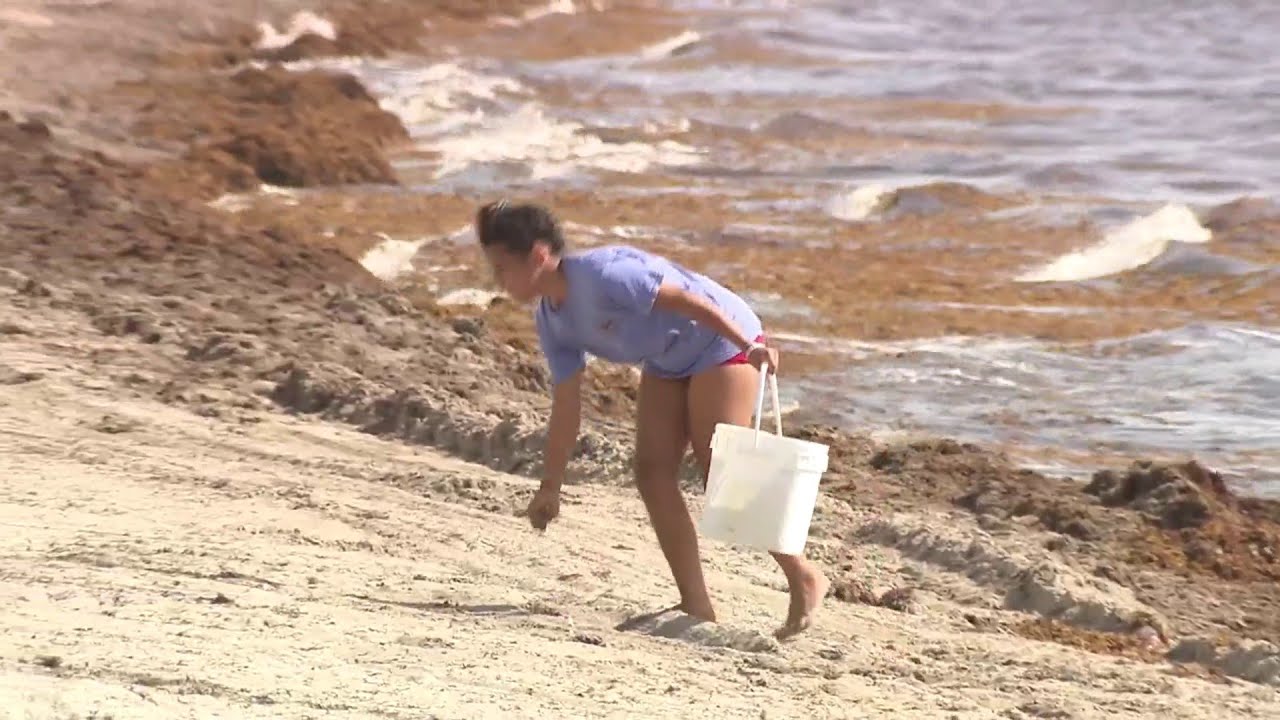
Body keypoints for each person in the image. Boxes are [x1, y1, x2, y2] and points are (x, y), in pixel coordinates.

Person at [474, 199, 828, 639]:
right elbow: (567, 405)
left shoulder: (603, 275)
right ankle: (696, 604)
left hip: (721, 340)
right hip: (667, 359)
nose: (499, 281)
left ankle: (802, 575)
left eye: (502, 267)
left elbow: (687, 300)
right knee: (651, 471)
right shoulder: (552, 319)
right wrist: (551, 486)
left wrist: (749, 344)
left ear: (539, 256)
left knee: (721, 466)